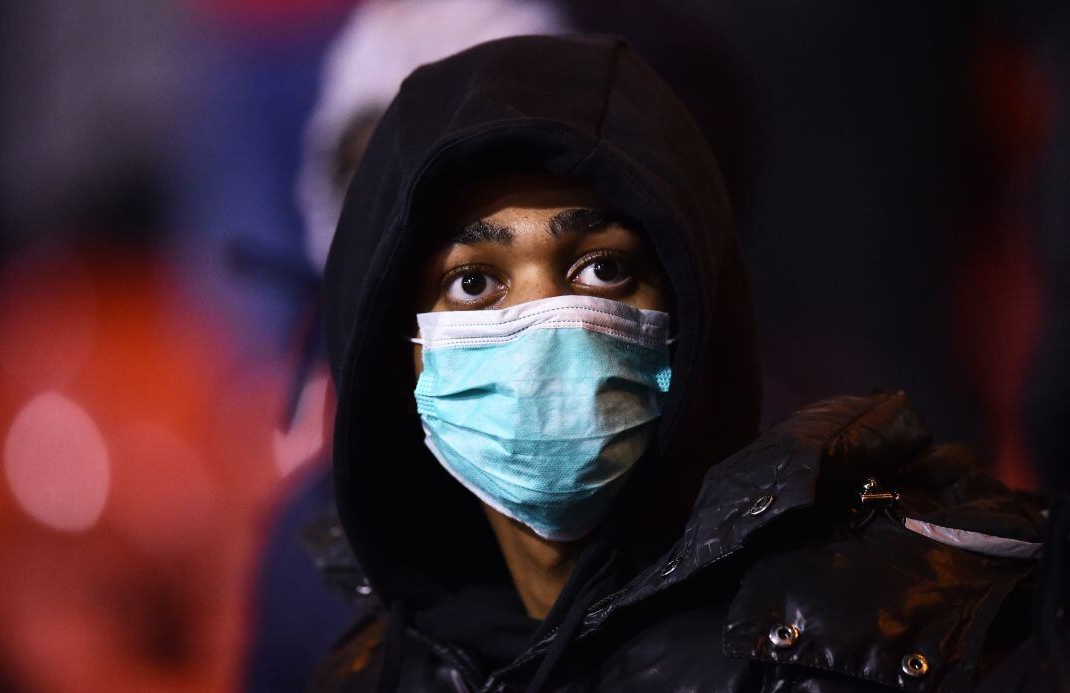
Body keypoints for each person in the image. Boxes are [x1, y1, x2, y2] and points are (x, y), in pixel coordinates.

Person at [316, 35, 1047, 691]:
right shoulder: (368, 669)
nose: (541, 337)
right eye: (473, 282)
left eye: (601, 268)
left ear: (692, 307)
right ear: (394, 343)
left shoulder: (880, 636)